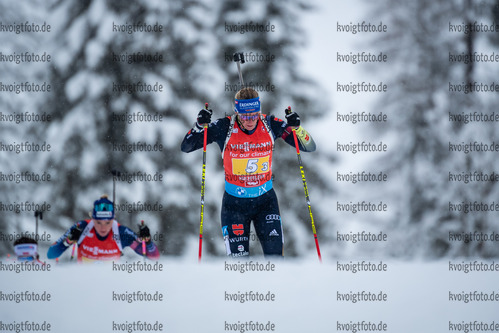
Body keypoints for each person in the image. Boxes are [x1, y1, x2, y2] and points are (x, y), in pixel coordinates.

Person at [181, 87, 316, 258]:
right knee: (239, 265)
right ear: (236, 112)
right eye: (244, 116)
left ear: (259, 111)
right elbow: (186, 147)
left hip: (266, 203)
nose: (250, 120)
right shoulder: (224, 127)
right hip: (234, 206)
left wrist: (297, 128)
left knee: (275, 261)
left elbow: (309, 147)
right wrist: (200, 126)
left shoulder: (270, 124)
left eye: (254, 115)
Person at [47, 195, 160, 263]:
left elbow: (154, 257)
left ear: (113, 219)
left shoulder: (121, 233)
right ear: (92, 218)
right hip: (82, 284)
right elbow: (51, 254)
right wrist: (68, 242)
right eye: (98, 222)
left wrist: (148, 242)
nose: (103, 227)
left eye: (107, 222)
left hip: (109, 287)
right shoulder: (81, 227)